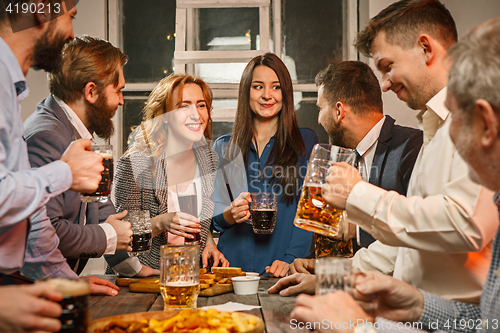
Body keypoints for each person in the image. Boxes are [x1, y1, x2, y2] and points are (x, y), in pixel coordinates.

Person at [270, 0, 498, 303]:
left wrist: (357, 194)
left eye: (388, 66)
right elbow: (407, 244)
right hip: (417, 316)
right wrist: (328, 279)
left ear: (426, 49)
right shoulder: (433, 127)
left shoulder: (471, 123)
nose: (385, 85)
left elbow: (465, 223)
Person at [0, 0, 106, 331]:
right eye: (70, 17)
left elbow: (30, 214)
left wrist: (65, 280)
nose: (71, 34)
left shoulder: (11, 84)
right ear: (42, 12)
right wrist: (65, 173)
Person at [289, 61, 422, 275]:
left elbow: (416, 233)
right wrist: (321, 268)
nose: (319, 120)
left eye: (321, 108)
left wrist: (355, 232)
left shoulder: (412, 147)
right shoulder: (339, 156)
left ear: (339, 111)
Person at [23, 36, 140, 278]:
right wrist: (110, 235)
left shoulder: (81, 134)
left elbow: (103, 211)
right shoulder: (46, 136)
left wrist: (132, 269)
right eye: (118, 90)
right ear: (91, 91)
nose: (121, 100)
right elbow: (46, 232)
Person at [211, 52, 319, 277]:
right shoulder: (223, 147)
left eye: (276, 87)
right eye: (258, 87)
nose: (267, 95)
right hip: (231, 271)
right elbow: (213, 217)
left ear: (286, 93)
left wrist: (292, 260)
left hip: (282, 271)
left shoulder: (306, 143)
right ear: (246, 92)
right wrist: (230, 213)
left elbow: (311, 211)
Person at [109, 73, 227, 276]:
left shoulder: (209, 160)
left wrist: (208, 242)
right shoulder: (135, 164)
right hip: (142, 279)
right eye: (184, 106)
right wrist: (160, 222)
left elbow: (198, 217)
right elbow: (119, 237)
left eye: (201, 105)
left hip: (190, 276)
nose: (196, 115)